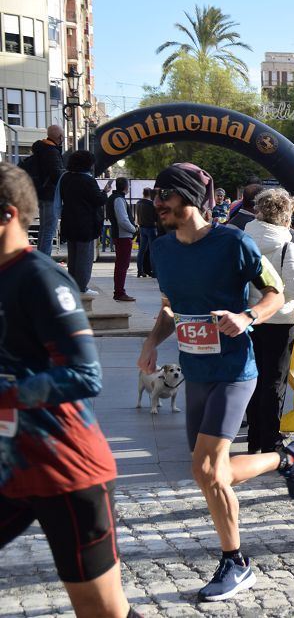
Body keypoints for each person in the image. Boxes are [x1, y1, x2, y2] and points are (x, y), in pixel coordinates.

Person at [138, 162, 294, 602]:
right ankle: (284, 459)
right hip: (195, 373)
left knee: (208, 470)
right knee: (208, 473)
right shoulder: (163, 250)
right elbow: (170, 307)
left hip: (235, 371)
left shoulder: (234, 242)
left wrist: (246, 315)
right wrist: (152, 343)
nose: (157, 203)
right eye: (156, 196)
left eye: (165, 195)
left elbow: (276, 293)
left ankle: (236, 562)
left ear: (191, 198)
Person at [0, 162, 139, 617]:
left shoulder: (39, 277)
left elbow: (85, 375)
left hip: (68, 471)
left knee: (103, 612)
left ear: (7, 215)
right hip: (10, 469)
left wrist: (10, 392)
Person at [244, 189, 294, 454]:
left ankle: (253, 436)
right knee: (275, 380)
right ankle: (270, 437)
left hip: (248, 317)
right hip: (279, 318)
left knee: (253, 377)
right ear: (286, 215)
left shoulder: (243, 237)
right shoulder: (286, 243)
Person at [57, 150, 109, 295]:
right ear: (87, 164)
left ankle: (72, 284)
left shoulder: (65, 178)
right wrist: (105, 192)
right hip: (85, 224)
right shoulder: (88, 180)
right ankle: (82, 287)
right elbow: (98, 200)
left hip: (69, 221)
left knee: (73, 257)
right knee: (84, 258)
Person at [26, 124, 63, 256]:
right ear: (60, 137)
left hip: (40, 193)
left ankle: (41, 257)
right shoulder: (51, 151)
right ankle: (44, 259)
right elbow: (56, 175)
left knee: (44, 228)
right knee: (49, 230)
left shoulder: (40, 149)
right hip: (50, 195)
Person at [105, 177, 136, 302]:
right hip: (123, 236)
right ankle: (119, 292)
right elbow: (122, 220)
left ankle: (119, 291)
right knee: (122, 265)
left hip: (121, 235)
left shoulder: (115, 198)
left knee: (121, 265)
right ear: (125, 187)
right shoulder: (118, 199)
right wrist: (134, 230)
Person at [135, 187, 158, 277]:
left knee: (141, 251)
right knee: (152, 251)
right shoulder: (151, 204)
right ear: (150, 194)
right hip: (151, 228)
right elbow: (156, 217)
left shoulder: (138, 203)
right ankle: (154, 272)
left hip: (142, 228)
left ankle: (139, 271)